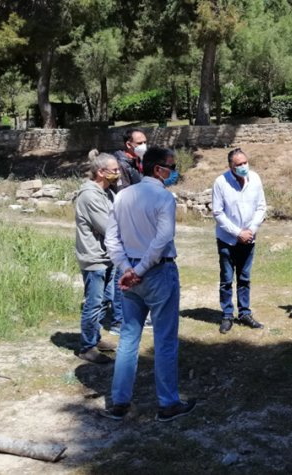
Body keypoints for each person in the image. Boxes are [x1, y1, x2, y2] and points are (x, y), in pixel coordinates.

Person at [100, 146, 196, 422]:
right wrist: (139, 269)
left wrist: (126, 268)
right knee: (165, 340)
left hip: (131, 272)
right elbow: (162, 240)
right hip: (157, 271)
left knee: (128, 338)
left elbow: (111, 238)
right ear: (158, 169)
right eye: (171, 167)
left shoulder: (123, 195)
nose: (174, 172)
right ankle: (168, 403)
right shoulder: (163, 198)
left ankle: (119, 402)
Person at [212, 148, 267, 334]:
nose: (244, 166)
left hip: (249, 238)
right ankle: (227, 315)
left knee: (244, 278)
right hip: (227, 239)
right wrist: (237, 233)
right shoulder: (221, 182)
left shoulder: (255, 179)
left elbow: (261, 207)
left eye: (245, 162)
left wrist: (251, 230)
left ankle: (244, 313)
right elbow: (218, 212)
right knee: (226, 279)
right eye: (239, 164)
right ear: (231, 166)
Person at [74, 150, 120, 364]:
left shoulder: (108, 193)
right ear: (101, 172)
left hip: (108, 256)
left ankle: (95, 337)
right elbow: (109, 227)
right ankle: (87, 347)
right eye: (114, 170)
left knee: (105, 300)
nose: (118, 173)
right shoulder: (90, 195)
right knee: (93, 303)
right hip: (94, 258)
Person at [109, 128, 151, 334]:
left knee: (137, 269)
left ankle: (136, 314)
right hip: (126, 222)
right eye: (140, 142)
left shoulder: (136, 162)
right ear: (129, 144)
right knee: (123, 271)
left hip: (138, 222)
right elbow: (124, 195)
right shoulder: (122, 164)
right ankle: (119, 319)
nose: (144, 145)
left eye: (145, 141)